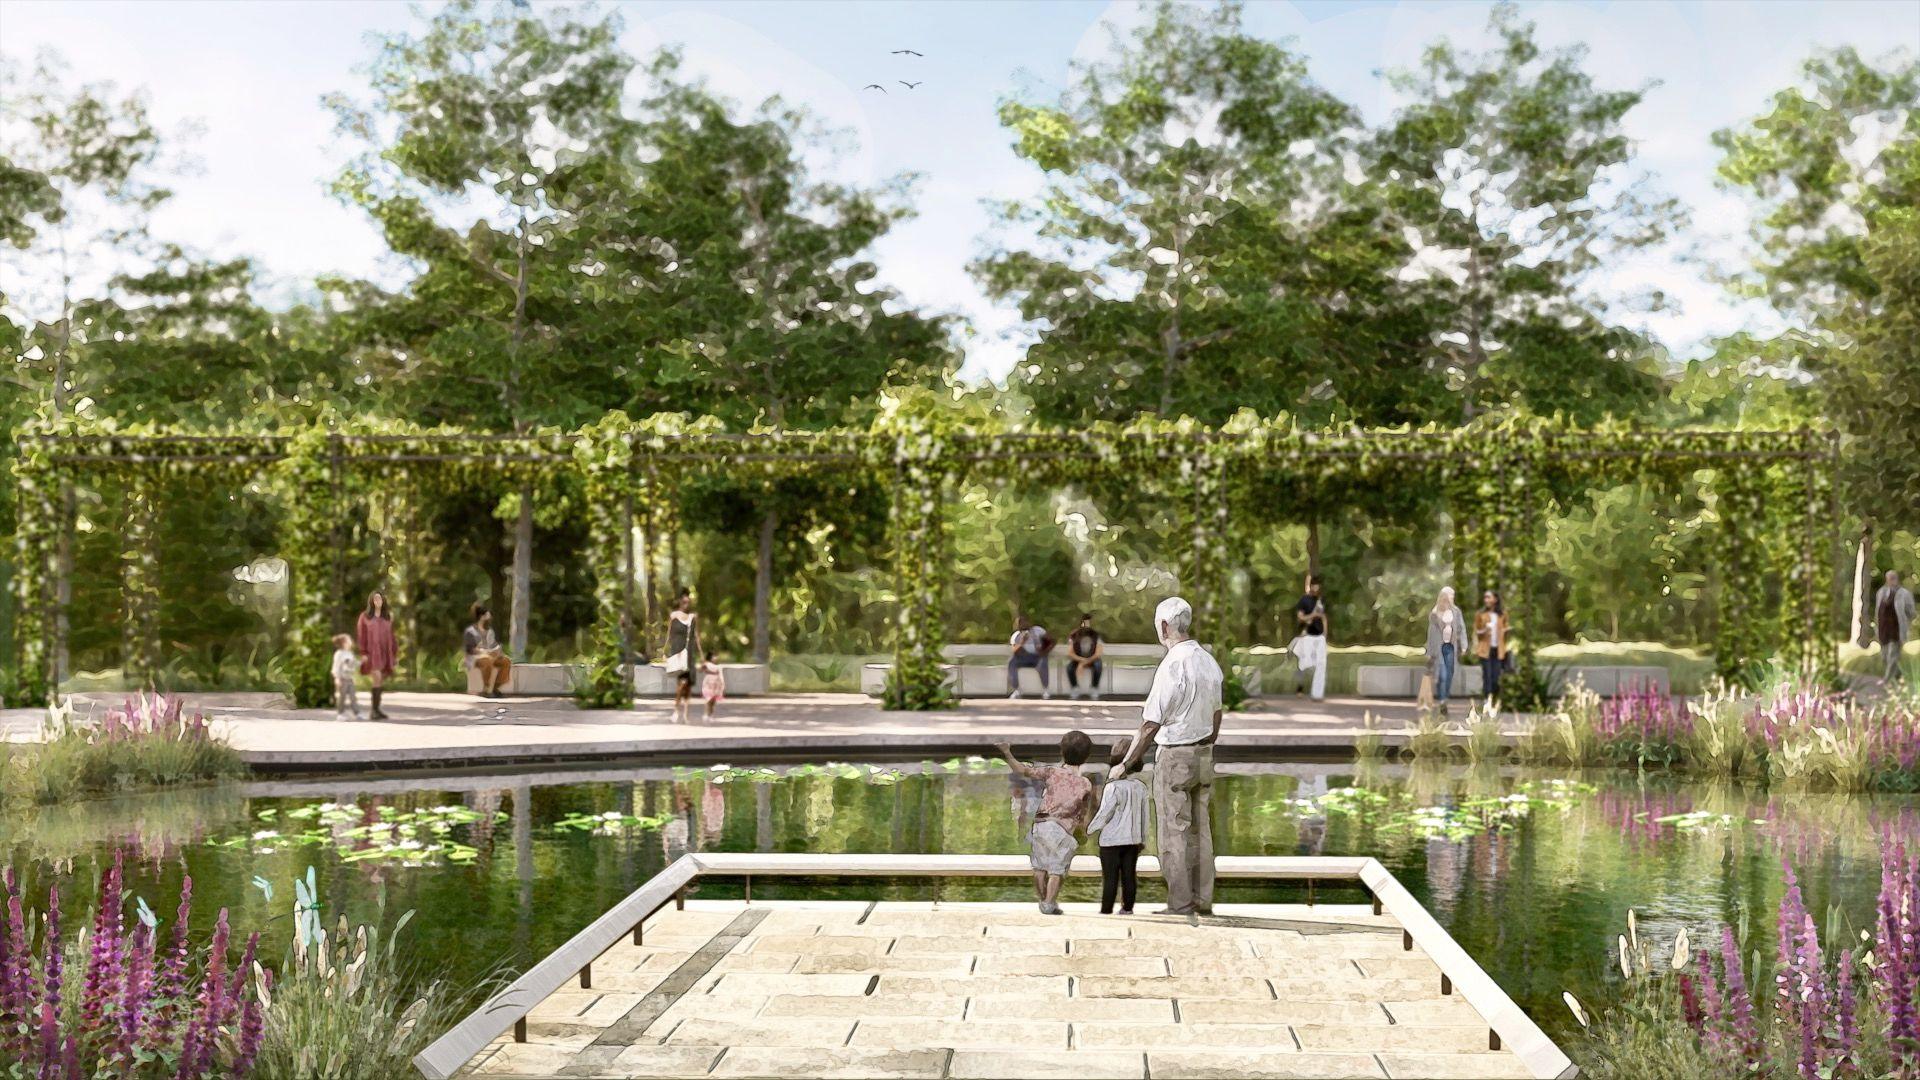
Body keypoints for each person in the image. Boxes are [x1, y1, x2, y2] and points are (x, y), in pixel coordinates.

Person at [1113, 596, 1224, 917]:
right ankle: (1203, 900)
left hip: (1176, 755)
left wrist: (1126, 764)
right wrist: (1207, 743)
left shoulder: (1173, 664)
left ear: (1164, 626)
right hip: (1204, 753)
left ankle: (1180, 903)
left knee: (1174, 831)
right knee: (1202, 831)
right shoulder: (1208, 661)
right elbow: (1217, 714)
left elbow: (1150, 724)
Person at [995, 731, 1094, 915]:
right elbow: (1082, 814)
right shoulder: (1085, 784)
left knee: (1039, 867)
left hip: (1042, 824)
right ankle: (1049, 902)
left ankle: (1042, 901)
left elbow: (1022, 770)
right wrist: (1082, 832)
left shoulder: (1052, 772)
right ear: (1086, 756)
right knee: (1057, 870)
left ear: (1062, 752)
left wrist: (1007, 752)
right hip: (1063, 829)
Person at [1087, 742, 1149, 915]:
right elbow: (1145, 816)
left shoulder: (1112, 787)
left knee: (1110, 878)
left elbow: (1105, 813)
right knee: (1129, 876)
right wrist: (1143, 838)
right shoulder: (1140, 787)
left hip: (1110, 841)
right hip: (1133, 840)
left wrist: (1090, 829)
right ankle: (1127, 908)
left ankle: (1106, 910)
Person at [1425, 587, 1470, 709]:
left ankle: (1445, 697)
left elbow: (1461, 629)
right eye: (1450, 595)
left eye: (1453, 595)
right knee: (1442, 674)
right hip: (1439, 647)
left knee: (1450, 673)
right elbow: (1431, 634)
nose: (1451, 598)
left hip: (1451, 647)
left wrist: (1464, 645)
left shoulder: (1456, 612)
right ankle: (1442, 700)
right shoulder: (1435, 613)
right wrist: (1429, 651)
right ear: (1443, 596)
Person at [356, 590, 396, 720]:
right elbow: (361, 635)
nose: (378, 601)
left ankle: (377, 709)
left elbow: (392, 636)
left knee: (380, 680)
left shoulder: (388, 617)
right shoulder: (365, 617)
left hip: (385, 652)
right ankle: (374, 710)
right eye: (375, 599)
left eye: (380, 598)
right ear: (371, 601)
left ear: (383, 600)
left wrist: (394, 653)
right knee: (377, 677)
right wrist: (363, 652)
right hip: (372, 653)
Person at [1289, 575, 1329, 701]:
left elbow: (1323, 617)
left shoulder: (1321, 600)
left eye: (1318, 586)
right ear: (1311, 586)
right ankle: (1299, 688)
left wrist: (1325, 634)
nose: (1316, 588)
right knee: (1304, 663)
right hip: (1306, 636)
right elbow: (1300, 617)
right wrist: (1313, 615)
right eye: (1314, 586)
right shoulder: (1304, 600)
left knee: (1321, 664)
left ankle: (1317, 694)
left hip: (1319, 637)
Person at [665, 590, 700, 723]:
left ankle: (685, 714)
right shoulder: (673, 615)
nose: (686, 604)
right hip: (678, 652)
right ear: (680, 602)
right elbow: (669, 634)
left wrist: (702, 655)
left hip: (689, 653)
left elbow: (696, 636)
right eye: (684, 602)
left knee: (688, 685)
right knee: (682, 683)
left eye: (688, 602)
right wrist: (665, 651)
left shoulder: (693, 617)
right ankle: (676, 710)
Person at [1876, 570, 1916, 684]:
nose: (1892, 580)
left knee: (1892, 655)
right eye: (1890, 578)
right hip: (1883, 629)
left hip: (1897, 630)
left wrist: (1904, 621)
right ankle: (1898, 677)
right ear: (1886, 579)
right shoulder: (1881, 592)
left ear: (1897, 579)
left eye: (1894, 578)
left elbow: (1912, 613)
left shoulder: (1904, 594)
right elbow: (1877, 612)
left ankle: (1887, 680)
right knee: (1884, 656)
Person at [463, 604, 512, 697]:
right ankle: (486, 689)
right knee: (487, 660)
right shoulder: (470, 631)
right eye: (487, 616)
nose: (490, 618)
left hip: (490, 655)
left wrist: (497, 651)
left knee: (506, 661)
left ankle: (495, 688)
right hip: (475, 658)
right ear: (481, 617)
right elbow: (470, 649)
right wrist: (485, 652)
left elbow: (493, 645)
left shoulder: (490, 631)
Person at [1473, 590, 1509, 702]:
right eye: (1485, 597)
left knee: (1496, 677)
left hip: (1498, 650)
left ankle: (1494, 700)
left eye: (1489, 597)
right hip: (1485, 650)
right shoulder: (1480, 614)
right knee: (1487, 676)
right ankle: (1487, 700)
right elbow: (1477, 632)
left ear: (1495, 599)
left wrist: (1504, 631)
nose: (1486, 600)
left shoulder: (1502, 614)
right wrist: (1485, 630)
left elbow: (1506, 630)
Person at [1007, 616, 1053, 700]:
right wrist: (1022, 642)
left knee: (1043, 662)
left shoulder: (1038, 630)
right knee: (1012, 662)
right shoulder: (1016, 635)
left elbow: (1051, 641)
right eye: (1019, 623)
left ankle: (1046, 690)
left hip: (1038, 657)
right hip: (1023, 658)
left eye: (1024, 622)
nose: (1022, 624)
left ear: (1029, 622)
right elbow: (1014, 651)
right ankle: (1016, 690)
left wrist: (1044, 651)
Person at [1066, 613, 1104, 700]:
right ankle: (1075, 688)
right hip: (1078, 658)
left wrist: (1083, 663)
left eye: (1089, 622)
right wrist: (1081, 661)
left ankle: (1094, 688)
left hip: (1092, 659)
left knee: (1098, 666)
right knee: (1070, 668)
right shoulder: (1074, 635)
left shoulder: (1096, 635)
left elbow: (1098, 653)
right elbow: (1070, 653)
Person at [331, 634, 363, 721]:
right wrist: (337, 678)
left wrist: (362, 661)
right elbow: (336, 667)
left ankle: (357, 713)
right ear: (344, 643)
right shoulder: (339, 654)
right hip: (342, 679)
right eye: (349, 640)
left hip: (350, 679)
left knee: (353, 697)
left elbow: (354, 664)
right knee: (342, 697)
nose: (351, 642)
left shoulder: (350, 653)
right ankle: (340, 714)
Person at [699, 651, 725, 720]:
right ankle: (705, 714)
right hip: (708, 683)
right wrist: (702, 665)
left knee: (713, 701)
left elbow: (721, 675)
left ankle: (710, 715)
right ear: (710, 657)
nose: (715, 658)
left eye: (716, 656)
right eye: (714, 656)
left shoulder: (719, 666)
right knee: (708, 699)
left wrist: (722, 684)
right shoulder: (706, 664)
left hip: (716, 684)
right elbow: (700, 670)